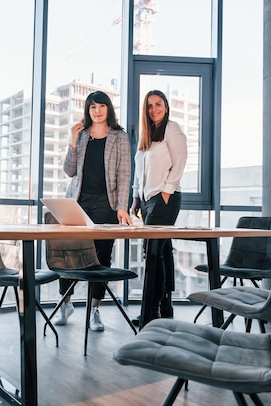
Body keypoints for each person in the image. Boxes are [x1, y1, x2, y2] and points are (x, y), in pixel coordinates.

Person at [52, 90, 133, 332]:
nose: (96, 111)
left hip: (105, 204)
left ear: (108, 109)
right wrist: (72, 141)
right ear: (87, 111)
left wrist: (121, 207)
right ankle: (65, 302)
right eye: (92, 107)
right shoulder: (83, 135)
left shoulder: (119, 137)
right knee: (68, 253)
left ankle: (94, 310)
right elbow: (69, 171)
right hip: (78, 201)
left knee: (101, 258)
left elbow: (124, 175)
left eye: (101, 107)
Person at [131, 89, 187, 325]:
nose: (154, 109)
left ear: (166, 106)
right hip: (147, 201)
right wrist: (135, 198)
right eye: (150, 105)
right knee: (161, 253)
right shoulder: (147, 135)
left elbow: (181, 160)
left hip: (164, 199)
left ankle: (150, 312)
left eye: (158, 104)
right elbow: (139, 171)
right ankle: (165, 308)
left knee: (153, 254)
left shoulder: (172, 129)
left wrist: (167, 190)